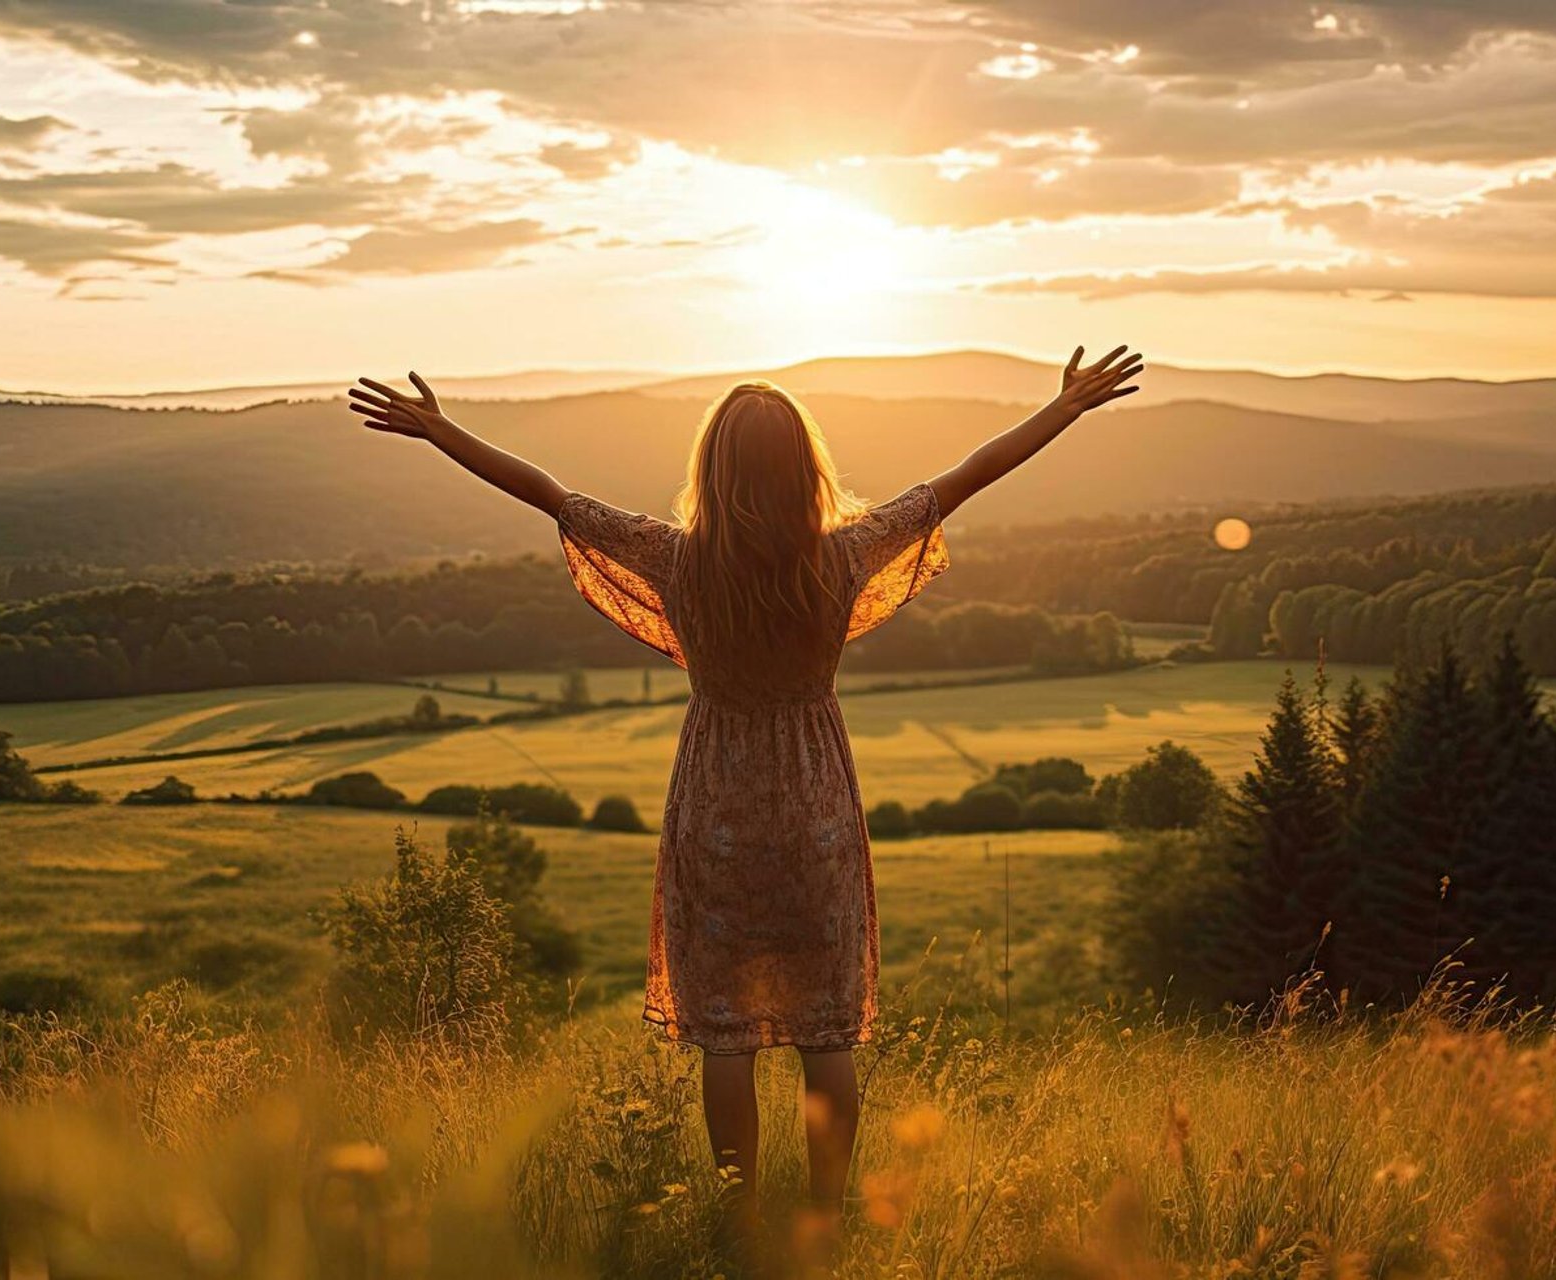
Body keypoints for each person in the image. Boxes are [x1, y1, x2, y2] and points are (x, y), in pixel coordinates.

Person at [346, 345, 1143, 1257]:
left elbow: (547, 492)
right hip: (818, 808)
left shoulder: (676, 562)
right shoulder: (843, 559)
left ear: (712, 473)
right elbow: (966, 476)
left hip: (716, 807)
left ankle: (737, 1219)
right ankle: (828, 1219)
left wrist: (441, 429)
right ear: (807, 470)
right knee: (825, 1030)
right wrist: (1065, 409)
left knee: (725, 1036)